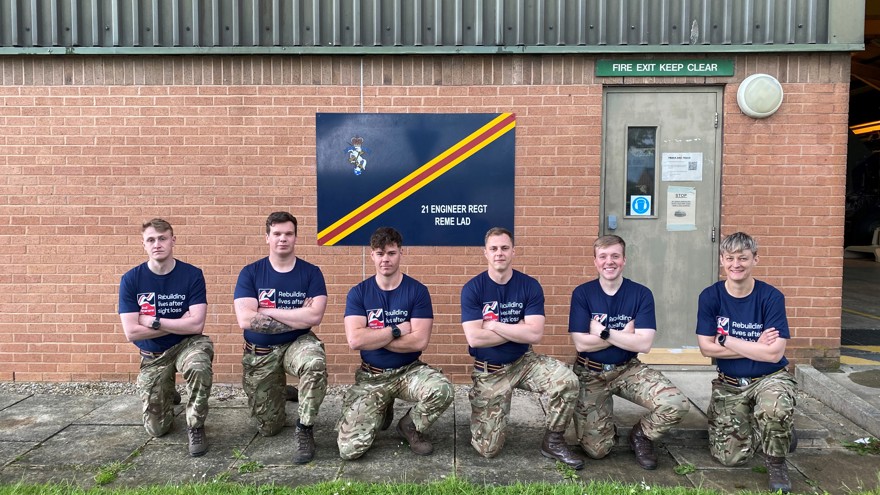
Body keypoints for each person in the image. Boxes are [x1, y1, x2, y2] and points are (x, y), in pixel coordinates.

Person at [460, 227, 584, 469]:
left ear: (513, 251)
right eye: (493, 249)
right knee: (487, 450)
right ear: (485, 253)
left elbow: (535, 333)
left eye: (505, 248)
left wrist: (493, 324)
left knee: (567, 381)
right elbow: (475, 338)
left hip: (524, 361)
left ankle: (554, 440)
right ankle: (483, 412)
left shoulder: (529, 286)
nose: (499, 254)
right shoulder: (473, 288)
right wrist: (517, 327)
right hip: (490, 370)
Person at [568, 235, 690, 470]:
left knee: (675, 403)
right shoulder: (583, 294)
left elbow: (644, 344)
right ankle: (604, 425)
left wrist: (603, 332)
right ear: (595, 261)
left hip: (628, 369)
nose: (609, 261)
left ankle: (641, 436)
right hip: (589, 373)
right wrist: (624, 336)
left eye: (615, 256)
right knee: (597, 451)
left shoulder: (641, 294)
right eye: (603, 256)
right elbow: (581, 344)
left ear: (624, 260)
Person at [337, 227, 454, 459]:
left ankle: (409, 425)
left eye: (391, 253)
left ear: (401, 253)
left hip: (408, 371)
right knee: (349, 451)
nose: (385, 259)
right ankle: (383, 407)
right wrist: (396, 330)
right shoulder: (359, 293)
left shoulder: (417, 291)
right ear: (372, 255)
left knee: (441, 389)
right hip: (372, 377)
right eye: (380, 254)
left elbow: (420, 340)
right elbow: (355, 340)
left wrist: (375, 337)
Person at [695, 232, 797, 493]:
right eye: (730, 258)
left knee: (774, 409)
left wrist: (725, 341)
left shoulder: (771, 297)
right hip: (729, 384)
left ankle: (776, 460)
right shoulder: (710, 296)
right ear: (722, 260)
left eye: (743, 258)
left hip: (769, 377)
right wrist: (756, 346)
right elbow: (706, 349)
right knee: (729, 459)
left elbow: (773, 354)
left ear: (755, 259)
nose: (736, 264)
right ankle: (771, 430)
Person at [233, 211, 328, 464]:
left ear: (296, 237)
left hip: (298, 343)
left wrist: (265, 311)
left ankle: (305, 428)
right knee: (268, 429)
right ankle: (279, 390)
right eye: (277, 234)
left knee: (315, 363)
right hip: (261, 353)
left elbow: (314, 317)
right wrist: (298, 313)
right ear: (267, 237)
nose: (282, 239)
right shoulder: (250, 273)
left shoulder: (311, 273)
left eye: (288, 234)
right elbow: (245, 320)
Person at [118, 218, 214, 457]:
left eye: (162, 238)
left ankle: (196, 425)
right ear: (144, 244)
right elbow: (131, 332)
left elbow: (197, 324)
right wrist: (180, 323)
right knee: (157, 429)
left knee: (199, 366)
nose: (157, 244)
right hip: (154, 354)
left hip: (187, 345)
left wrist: (152, 320)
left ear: (173, 240)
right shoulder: (131, 280)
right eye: (151, 239)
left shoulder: (192, 275)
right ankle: (167, 391)